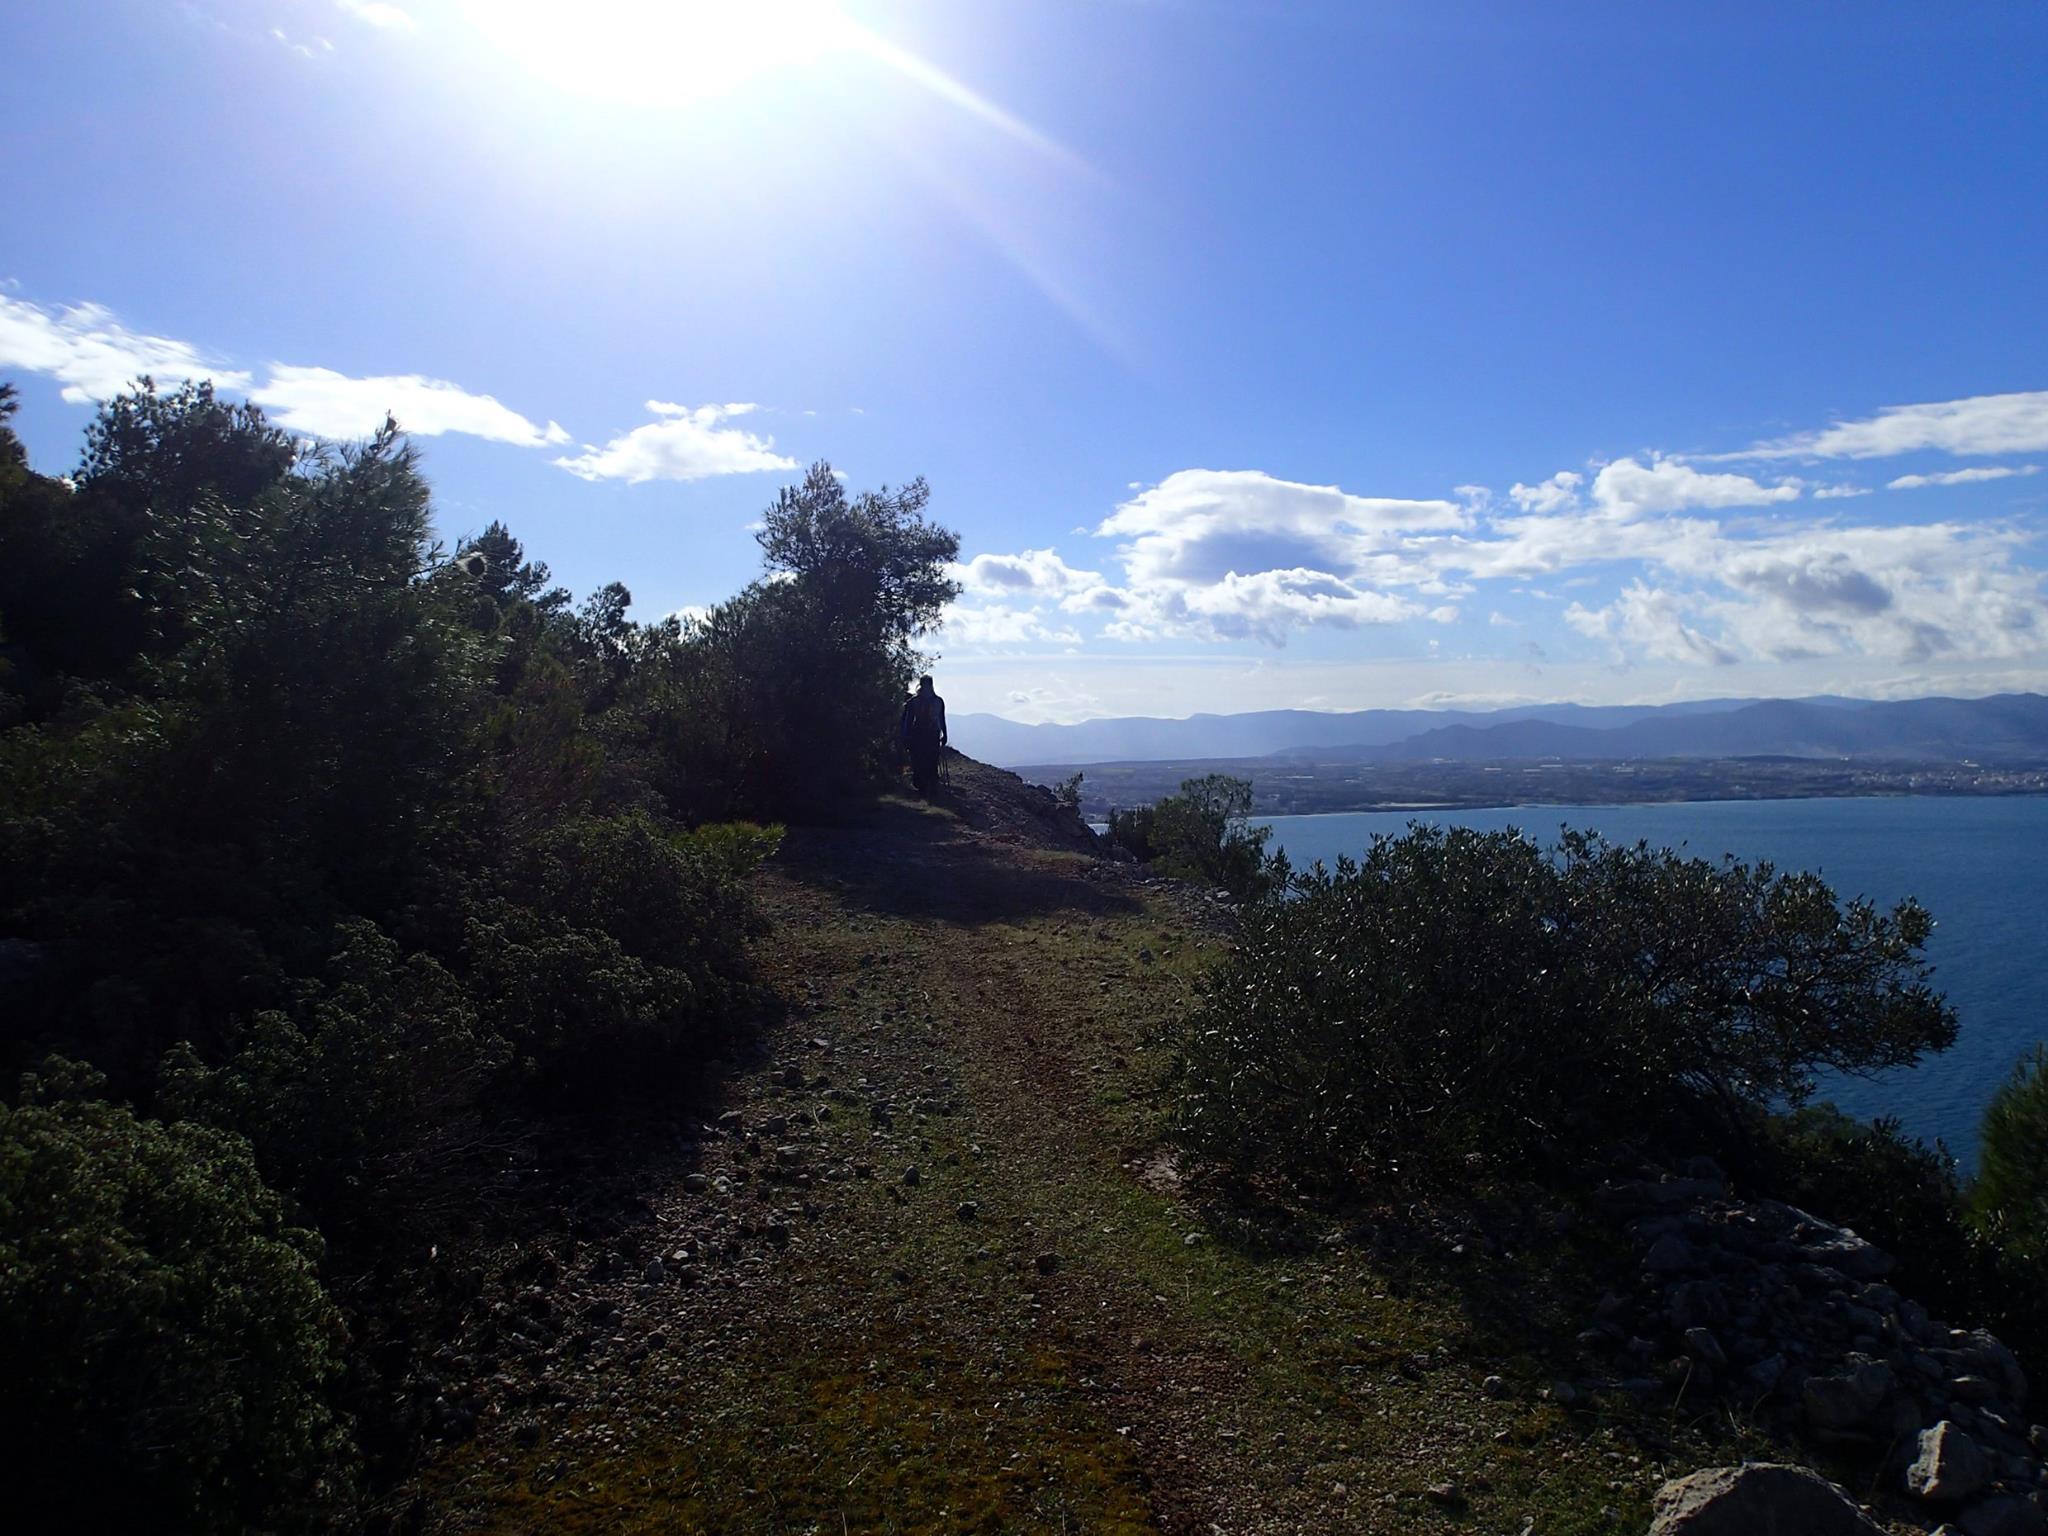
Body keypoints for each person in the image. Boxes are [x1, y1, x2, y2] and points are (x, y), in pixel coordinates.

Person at [900, 674, 947, 794]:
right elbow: (941, 720)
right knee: (928, 759)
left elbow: (908, 721)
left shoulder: (914, 702)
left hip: (921, 734)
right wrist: (944, 734)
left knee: (921, 760)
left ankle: (924, 785)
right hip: (930, 734)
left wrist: (906, 736)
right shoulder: (938, 701)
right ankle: (928, 785)